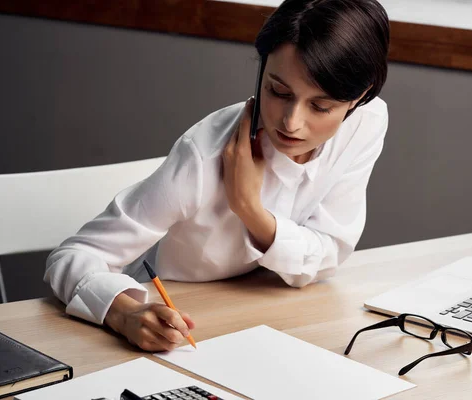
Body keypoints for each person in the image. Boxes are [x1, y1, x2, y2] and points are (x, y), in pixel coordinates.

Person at [45, 0, 390, 352]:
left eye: (320, 106)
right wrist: (124, 314)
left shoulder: (366, 122)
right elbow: (73, 256)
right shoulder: (203, 155)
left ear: (357, 99)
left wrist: (249, 209)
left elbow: (329, 252)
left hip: (268, 323)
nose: (291, 122)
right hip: (175, 327)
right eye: (278, 91)